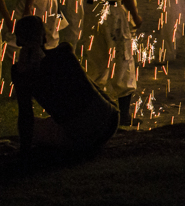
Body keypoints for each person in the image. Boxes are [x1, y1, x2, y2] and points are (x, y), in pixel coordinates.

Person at [12, 16, 119, 155]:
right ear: (44, 37)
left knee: (37, 125)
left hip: (81, 136)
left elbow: (25, 116)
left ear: (18, 41)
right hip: (110, 121)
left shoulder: (21, 74)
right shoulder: (64, 52)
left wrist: (24, 152)